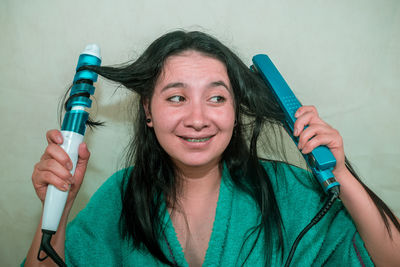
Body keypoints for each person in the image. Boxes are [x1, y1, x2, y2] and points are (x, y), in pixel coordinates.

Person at [25, 30, 400, 266]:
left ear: (236, 111)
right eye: (176, 98)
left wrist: (339, 174)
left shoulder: (290, 190)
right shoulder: (118, 197)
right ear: (148, 111)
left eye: (217, 98)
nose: (198, 118)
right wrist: (59, 207)